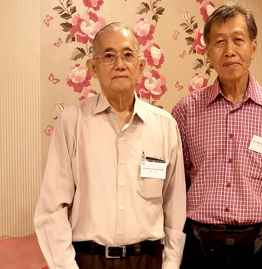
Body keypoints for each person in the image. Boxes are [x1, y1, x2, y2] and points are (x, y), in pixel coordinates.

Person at [34, 23, 186, 269]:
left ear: (140, 66)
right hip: (88, 260)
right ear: (93, 67)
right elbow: (52, 208)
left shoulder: (164, 125)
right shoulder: (72, 122)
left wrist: (170, 264)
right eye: (108, 55)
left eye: (127, 55)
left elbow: (175, 206)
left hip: (149, 259)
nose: (119, 64)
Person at [172, 4, 262, 269]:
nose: (229, 51)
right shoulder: (185, 111)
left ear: (253, 47)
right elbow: (176, 186)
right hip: (199, 244)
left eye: (238, 40)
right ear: (207, 51)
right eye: (219, 42)